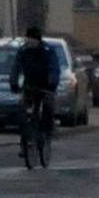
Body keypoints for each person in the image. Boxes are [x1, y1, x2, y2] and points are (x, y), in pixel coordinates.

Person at [14, 26, 60, 170]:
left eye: (31, 39)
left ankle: (47, 133)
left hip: (46, 87)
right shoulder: (22, 51)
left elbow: (54, 68)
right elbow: (16, 68)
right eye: (27, 38)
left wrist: (52, 83)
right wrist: (14, 83)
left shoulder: (47, 51)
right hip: (29, 86)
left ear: (37, 39)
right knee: (22, 111)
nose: (28, 41)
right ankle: (24, 143)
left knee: (48, 107)